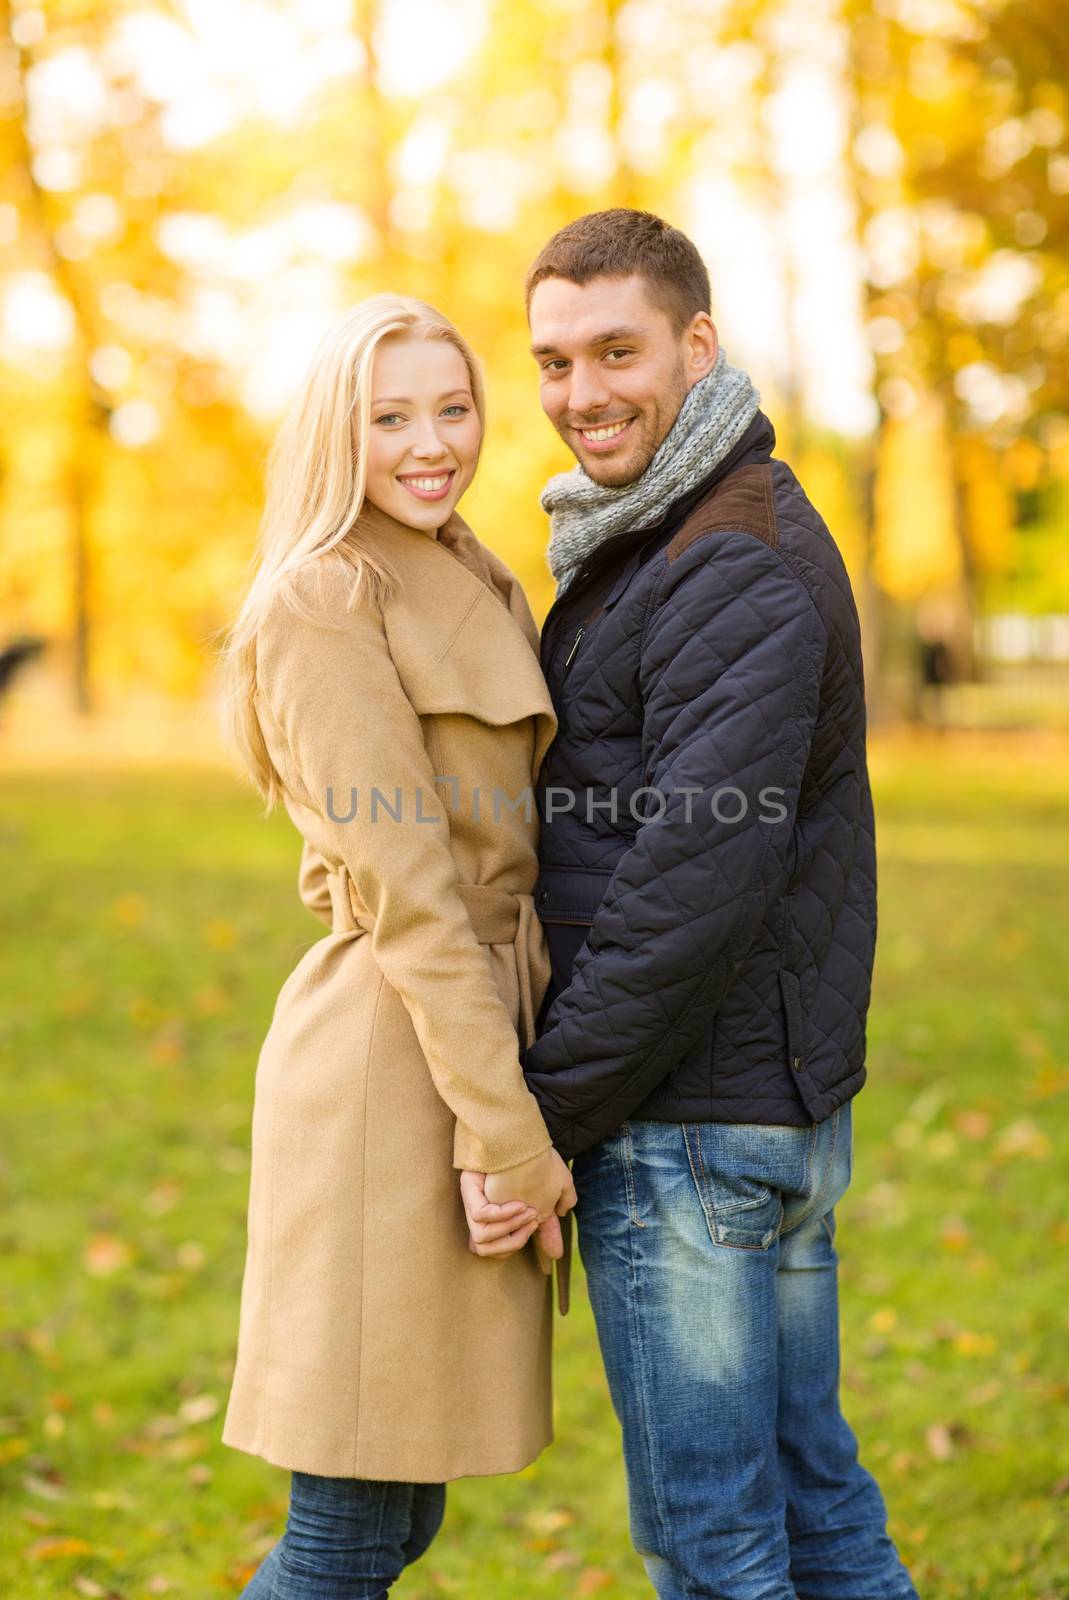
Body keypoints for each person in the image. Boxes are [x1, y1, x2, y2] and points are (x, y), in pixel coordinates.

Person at [460, 210, 920, 1599]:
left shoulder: (725, 553)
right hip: (744, 1102)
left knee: (714, 1538)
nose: (580, 393)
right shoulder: (673, 526)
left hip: (691, 1123)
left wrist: (542, 1113)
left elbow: (688, 887)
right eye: (552, 361)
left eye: (616, 350)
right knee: (807, 1495)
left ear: (695, 344)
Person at [217, 293, 575, 1599]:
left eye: (453, 407)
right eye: (389, 418)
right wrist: (506, 1131)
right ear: (335, 432)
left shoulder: (478, 567)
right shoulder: (323, 595)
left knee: (396, 1511)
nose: (432, 443)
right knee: (351, 1527)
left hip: (469, 1030)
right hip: (391, 1064)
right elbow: (415, 891)